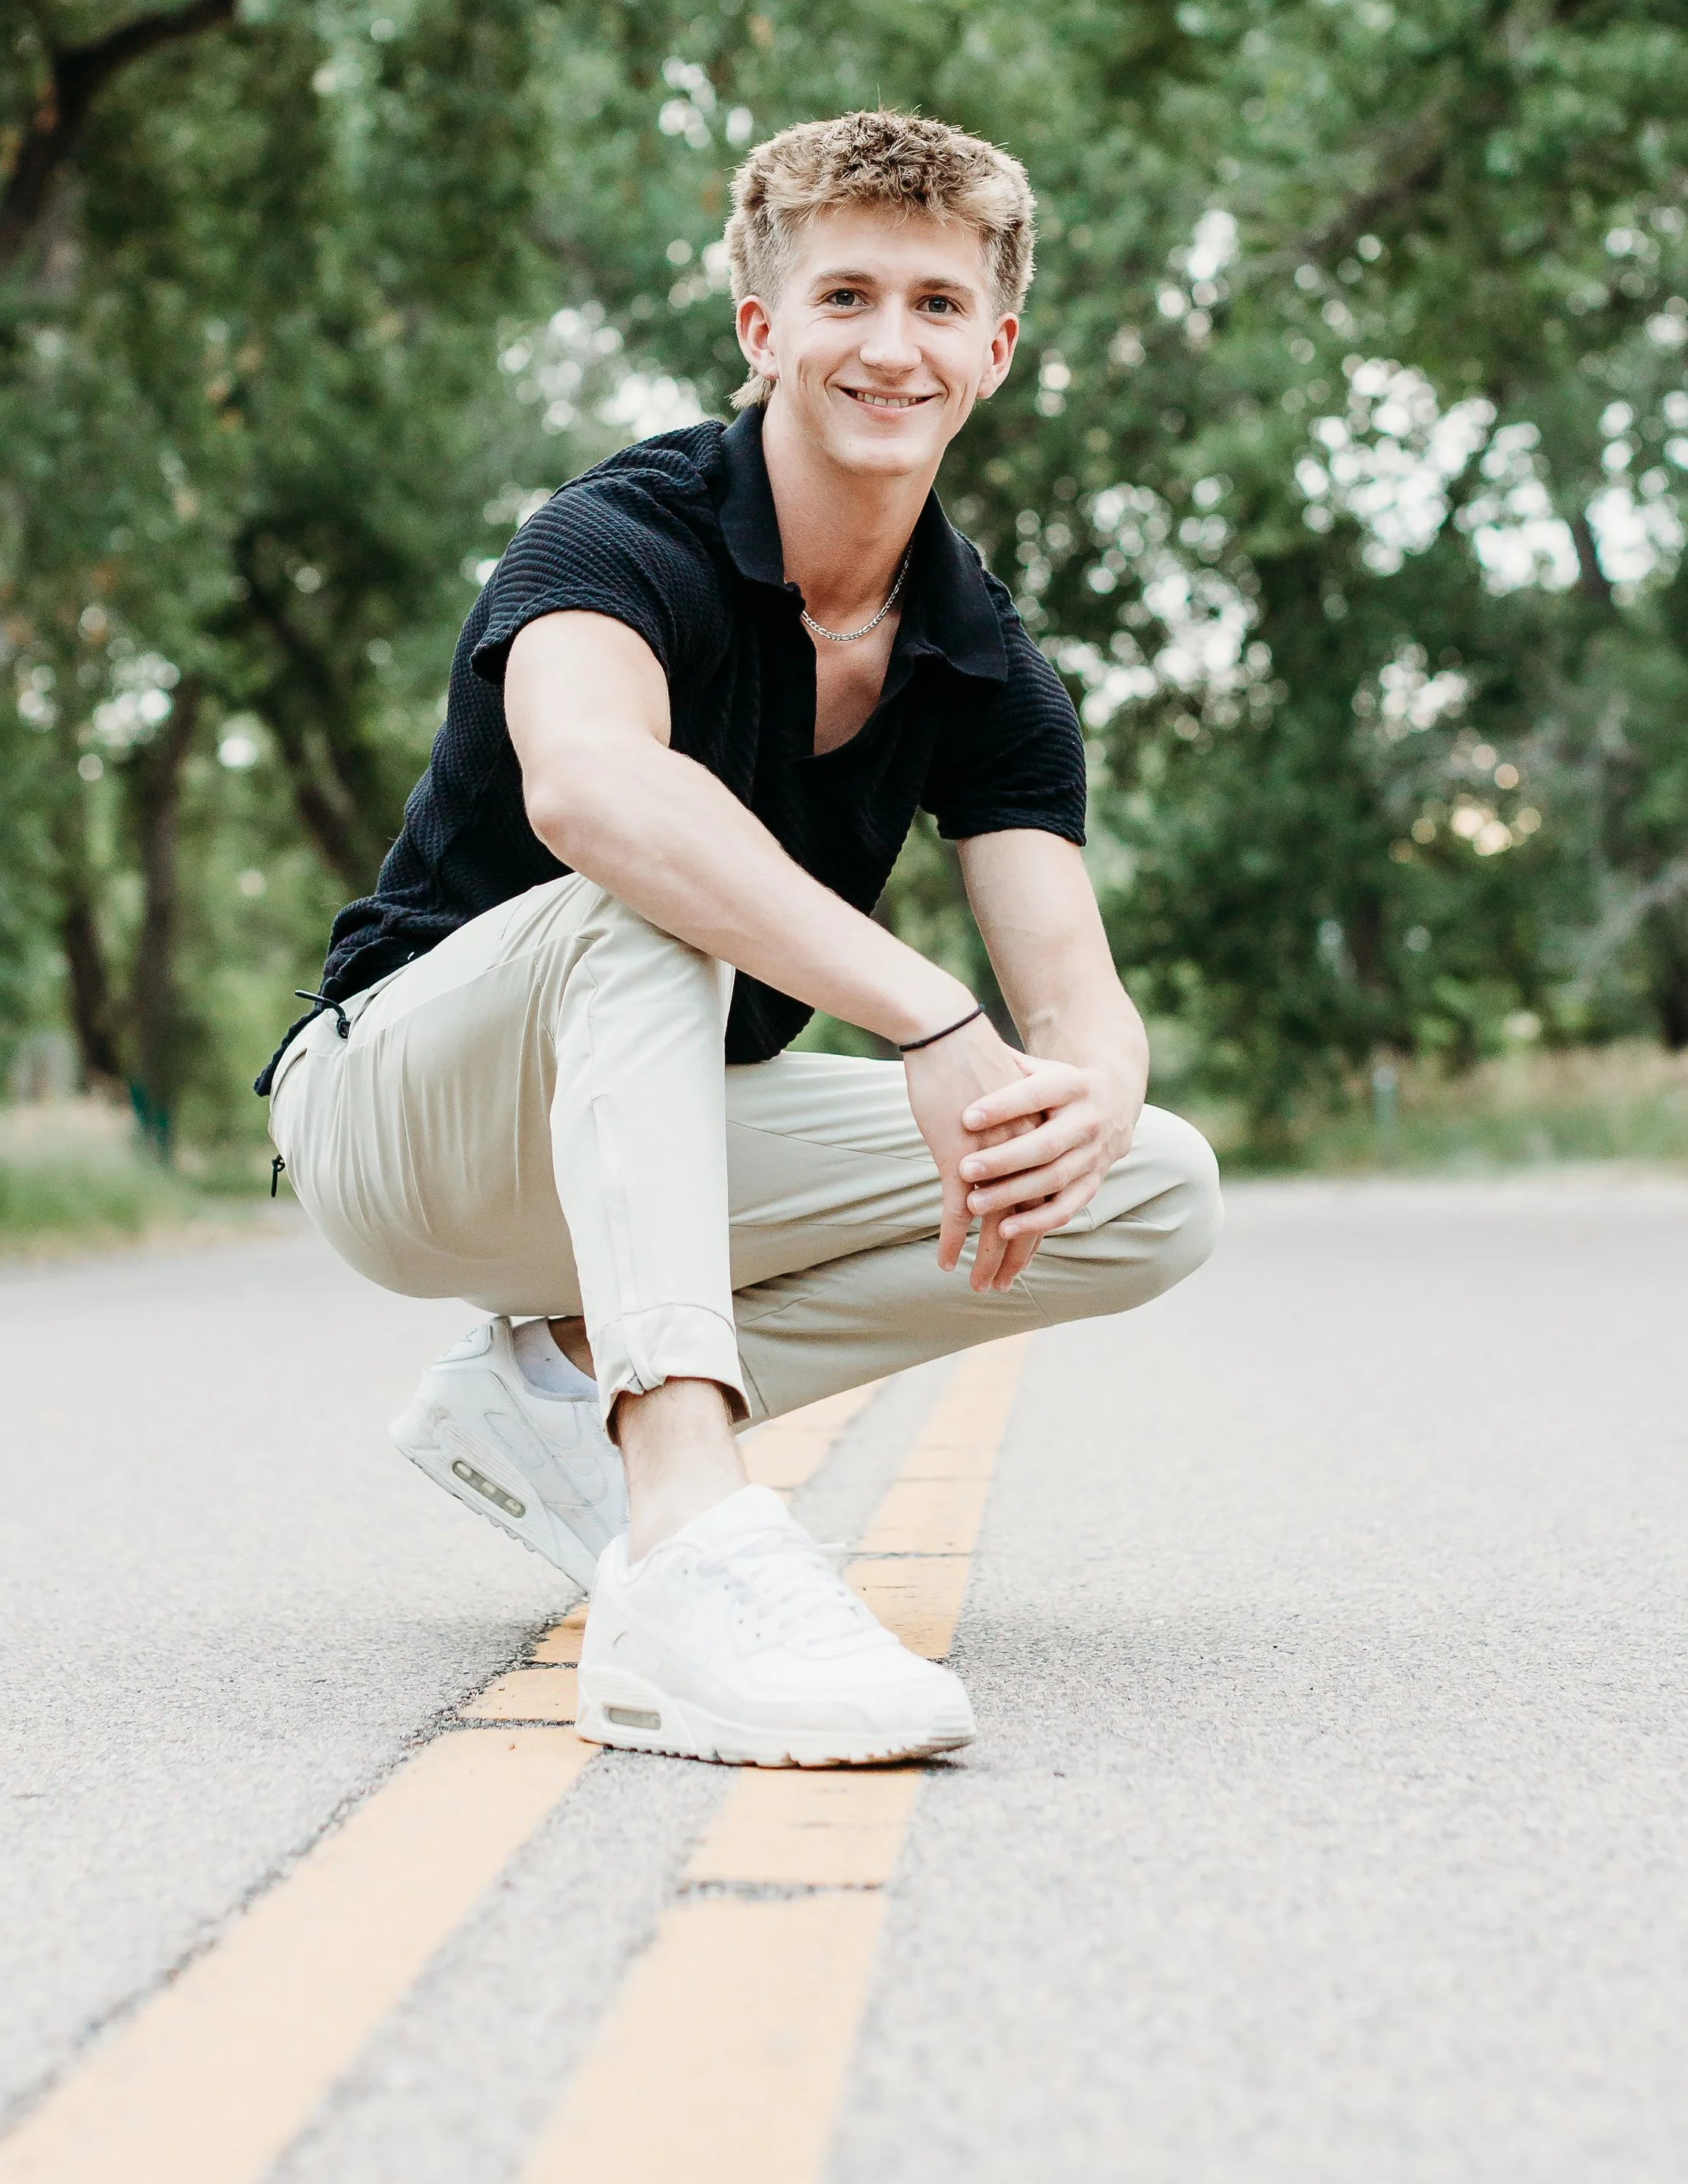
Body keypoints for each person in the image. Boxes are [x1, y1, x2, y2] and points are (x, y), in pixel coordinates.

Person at [260, 109, 1220, 1768]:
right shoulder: (618, 539)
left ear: (992, 349)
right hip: (404, 1119)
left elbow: (1077, 1008)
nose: (889, 345)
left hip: (637, 1143)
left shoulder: (985, 665)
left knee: (1144, 1184)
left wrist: (1084, 1086)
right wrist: (927, 1020)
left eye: (933, 306)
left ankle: (558, 1382)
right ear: (761, 330)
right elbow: (590, 793)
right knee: (649, 891)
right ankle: (691, 1538)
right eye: (844, 296)